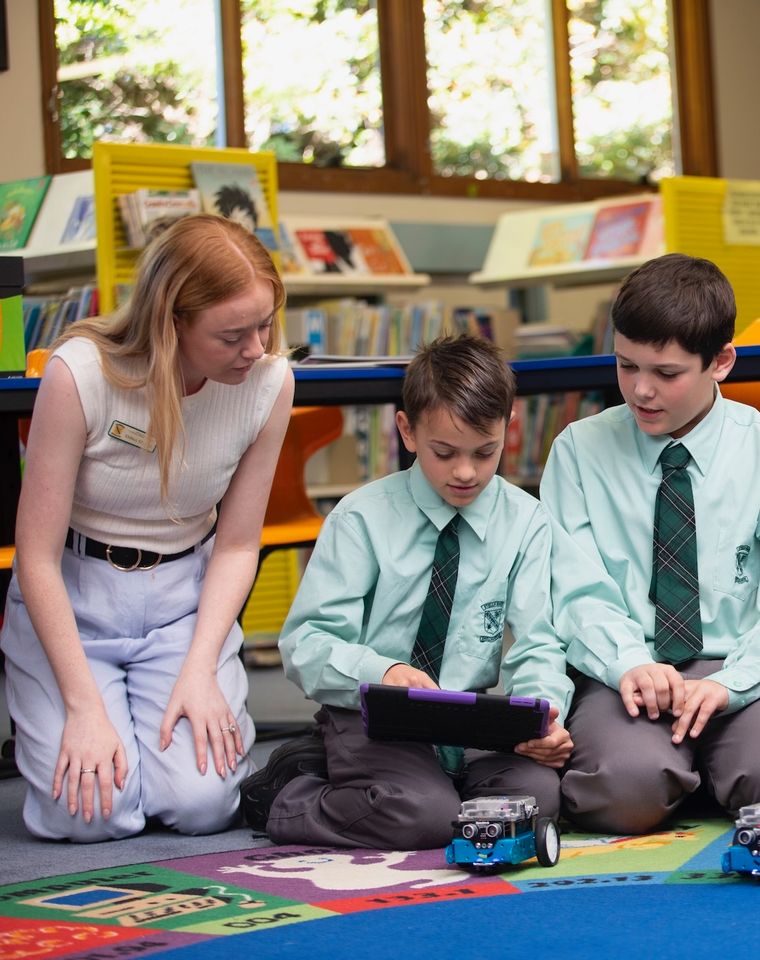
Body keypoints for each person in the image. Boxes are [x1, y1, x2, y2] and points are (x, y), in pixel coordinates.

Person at [0, 214, 294, 842]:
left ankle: (147, 737)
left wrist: (200, 666)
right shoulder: (78, 373)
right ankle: (95, 719)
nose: (256, 349)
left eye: (264, 325)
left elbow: (238, 542)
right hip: (74, 599)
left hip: (180, 605)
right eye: (232, 335)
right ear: (172, 322)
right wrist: (81, 705)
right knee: (91, 813)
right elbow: (37, 556)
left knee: (205, 806)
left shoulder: (270, 382)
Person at [240, 333, 574, 849]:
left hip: (468, 723)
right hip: (371, 716)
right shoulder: (361, 518)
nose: (466, 472)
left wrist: (543, 714)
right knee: (424, 816)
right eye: (445, 452)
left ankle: (422, 786)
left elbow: (538, 641)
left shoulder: (526, 520)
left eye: (485, 453)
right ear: (407, 430)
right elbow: (306, 644)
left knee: (537, 797)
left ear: (508, 431)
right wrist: (385, 672)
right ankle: (291, 794)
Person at [541, 252, 760, 835]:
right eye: (625, 365)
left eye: (666, 373)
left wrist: (731, 683)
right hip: (628, 665)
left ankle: (711, 768)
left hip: (741, 662)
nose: (641, 390)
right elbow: (574, 586)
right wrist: (628, 662)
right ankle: (682, 775)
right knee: (622, 794)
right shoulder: (578, 449)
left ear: (721, 362)